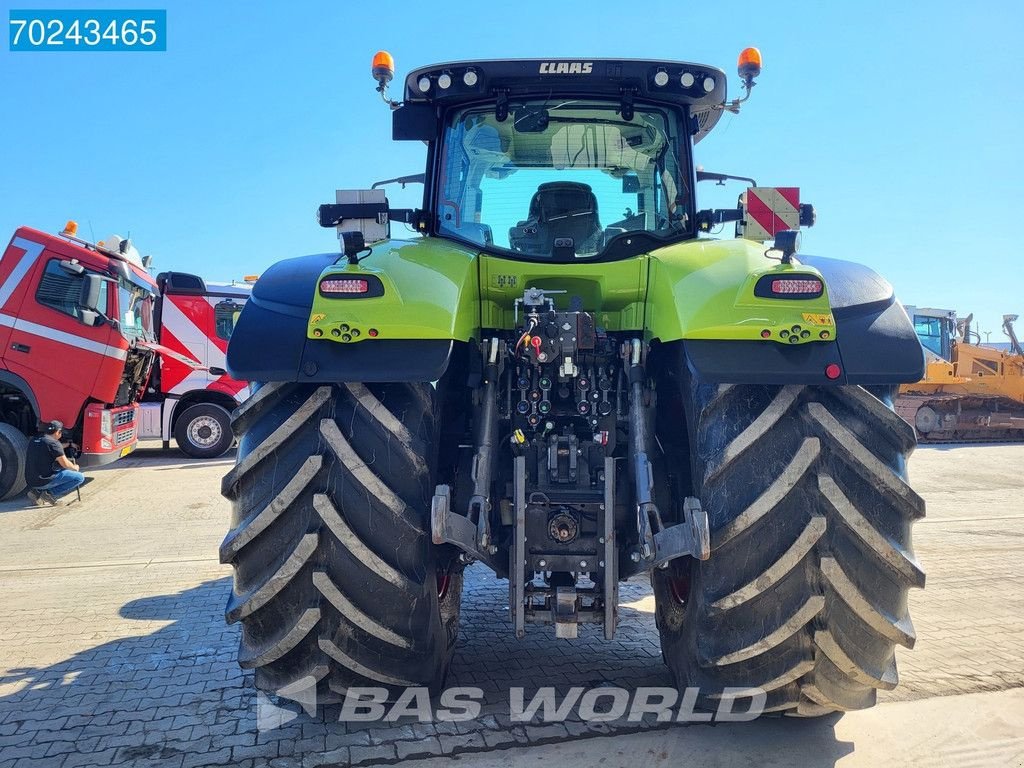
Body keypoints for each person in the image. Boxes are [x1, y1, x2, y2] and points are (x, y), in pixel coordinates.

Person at [25, 420, 87, 506]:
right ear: (58, 432)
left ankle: (37, 492)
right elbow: (65, 464)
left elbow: (52, 448)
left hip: (31, 480)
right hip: (44, 480)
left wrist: (69, 444)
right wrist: (74, 467)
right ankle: (49, 494)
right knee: (79, 477)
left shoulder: (35, 440)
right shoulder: (54, 444)